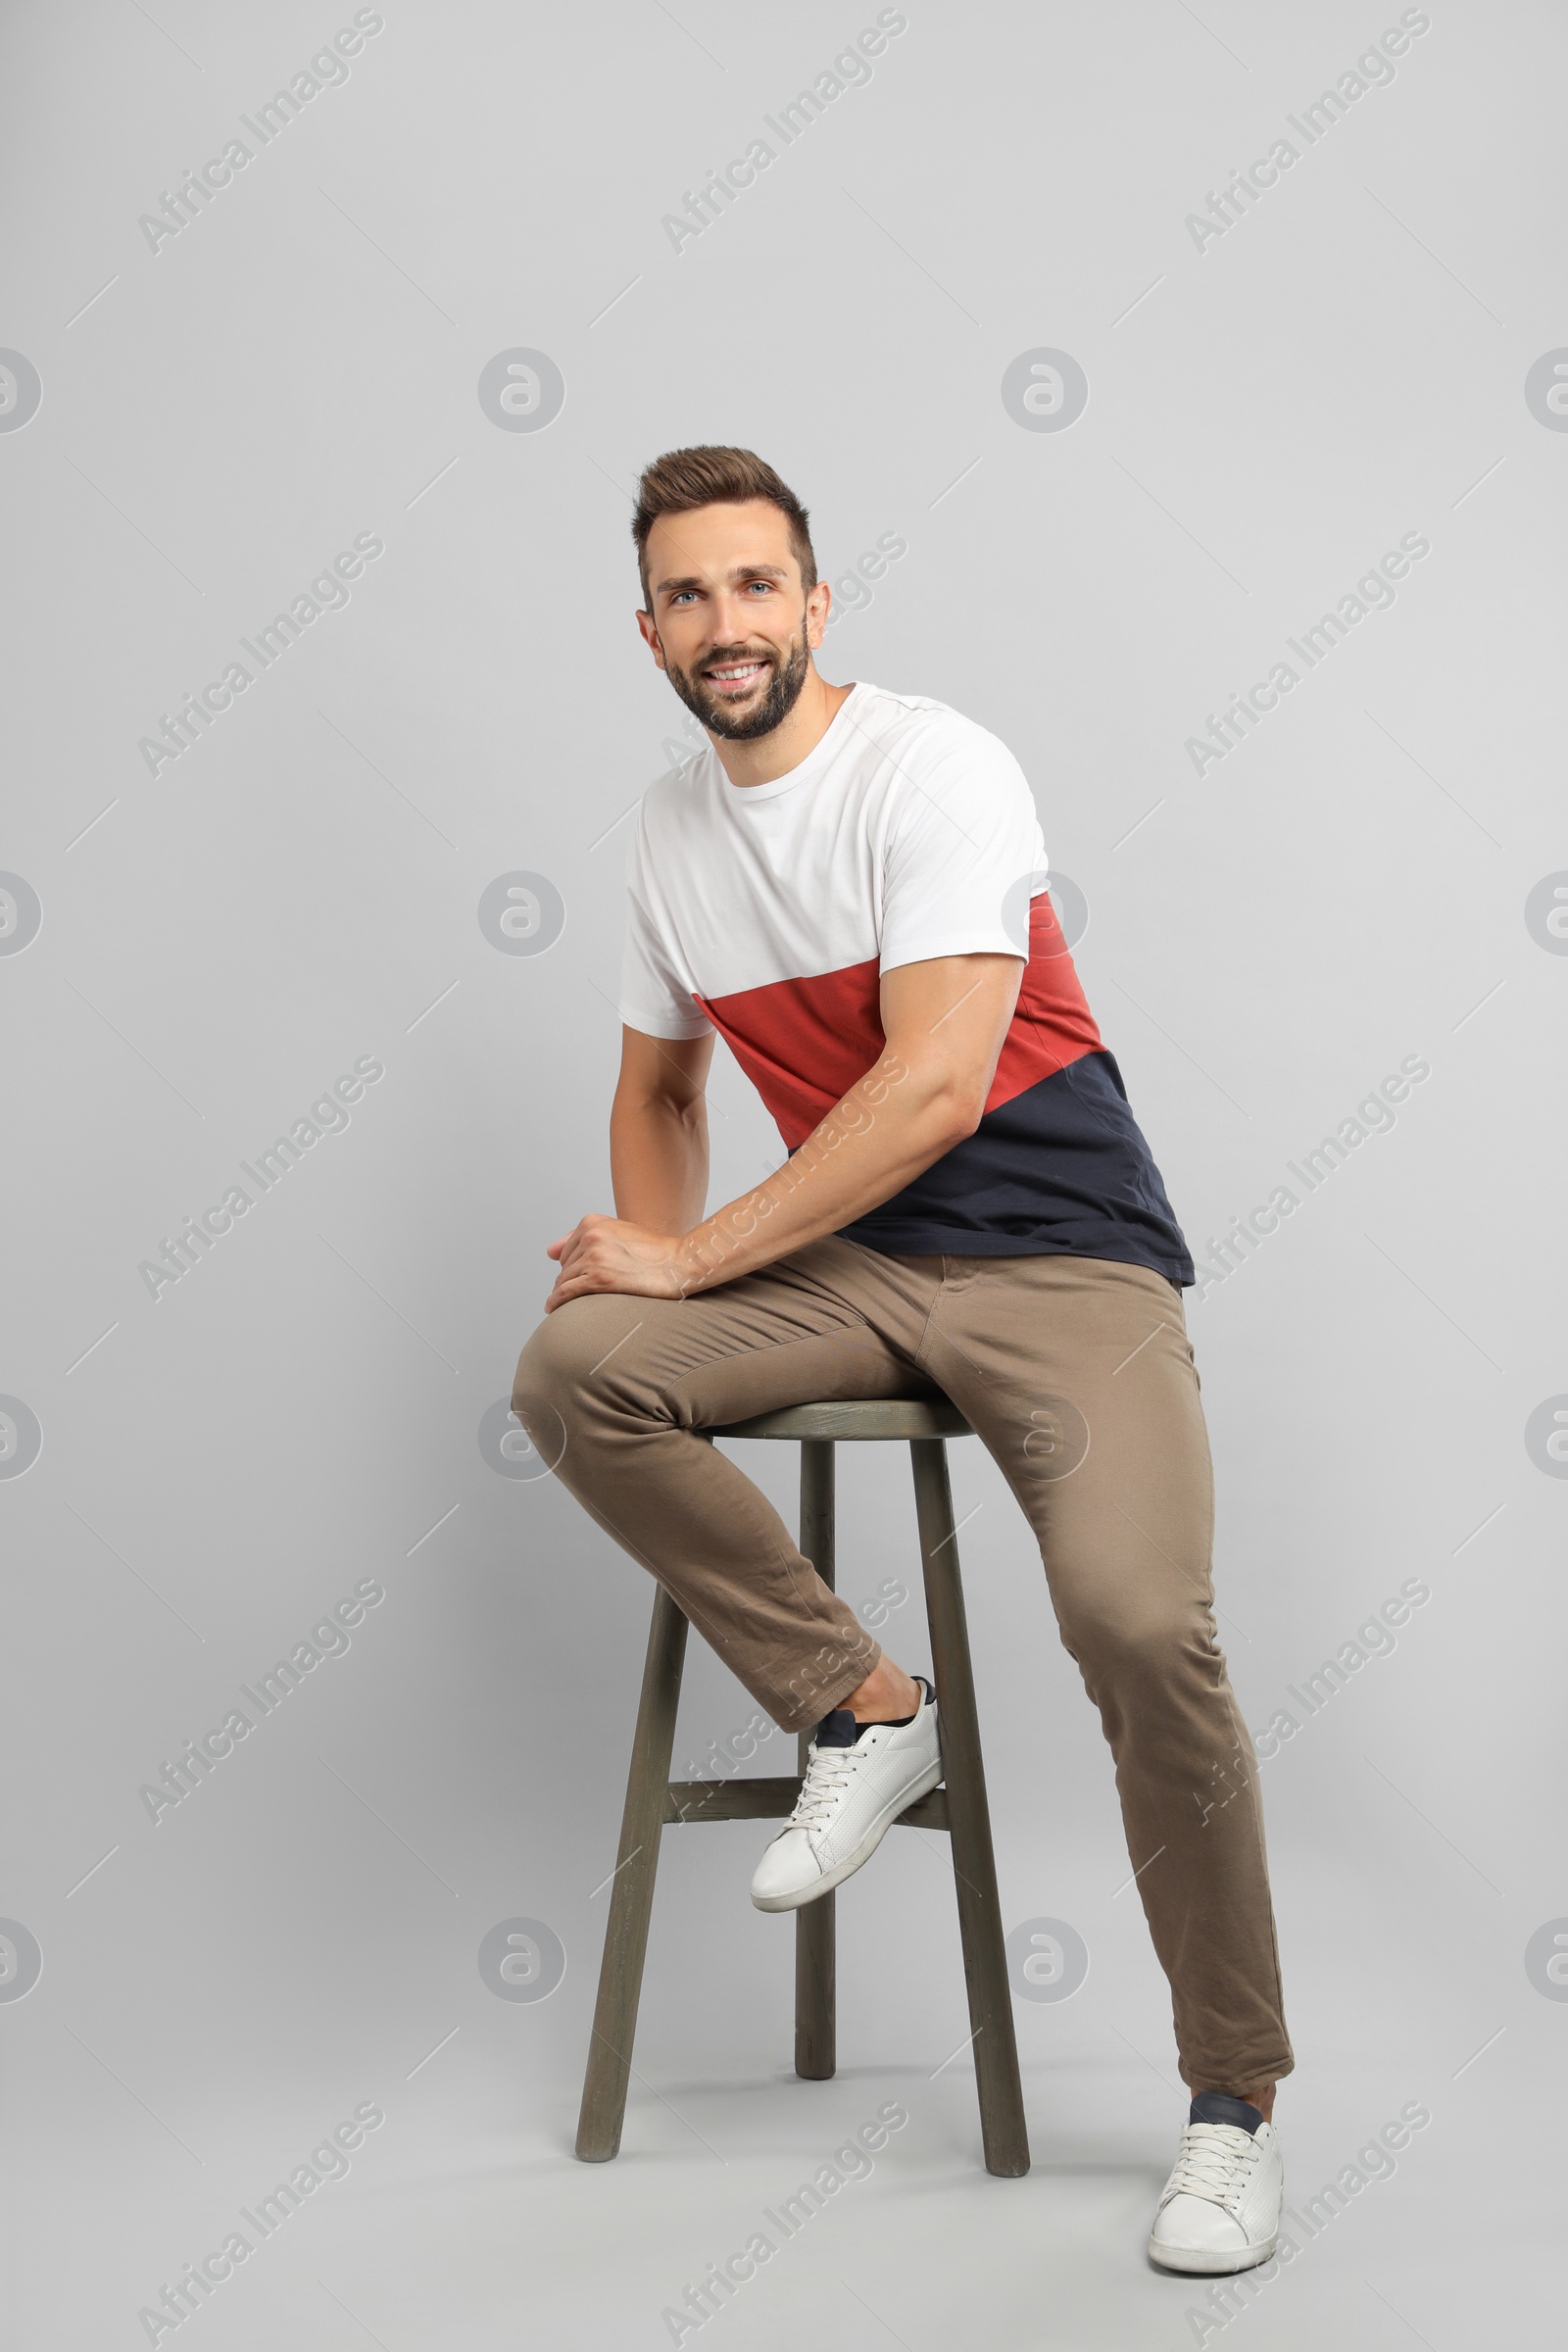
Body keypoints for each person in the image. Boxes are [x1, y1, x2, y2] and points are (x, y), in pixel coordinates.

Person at [512, 444, 1293, 2275]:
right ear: (649, 634)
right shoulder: (661, 836)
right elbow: (663, 1088)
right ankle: (863, 1705)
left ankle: (1233, 2107)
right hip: (852, 1260)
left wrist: (697, 1254)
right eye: (690, 596)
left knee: (1134, 1624)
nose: (728, 624)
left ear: (815, 601)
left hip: (1062, 1266)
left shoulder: (934, 763)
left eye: (757, 585)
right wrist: (664, 1293)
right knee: (574, 1372)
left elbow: (940, 1083)